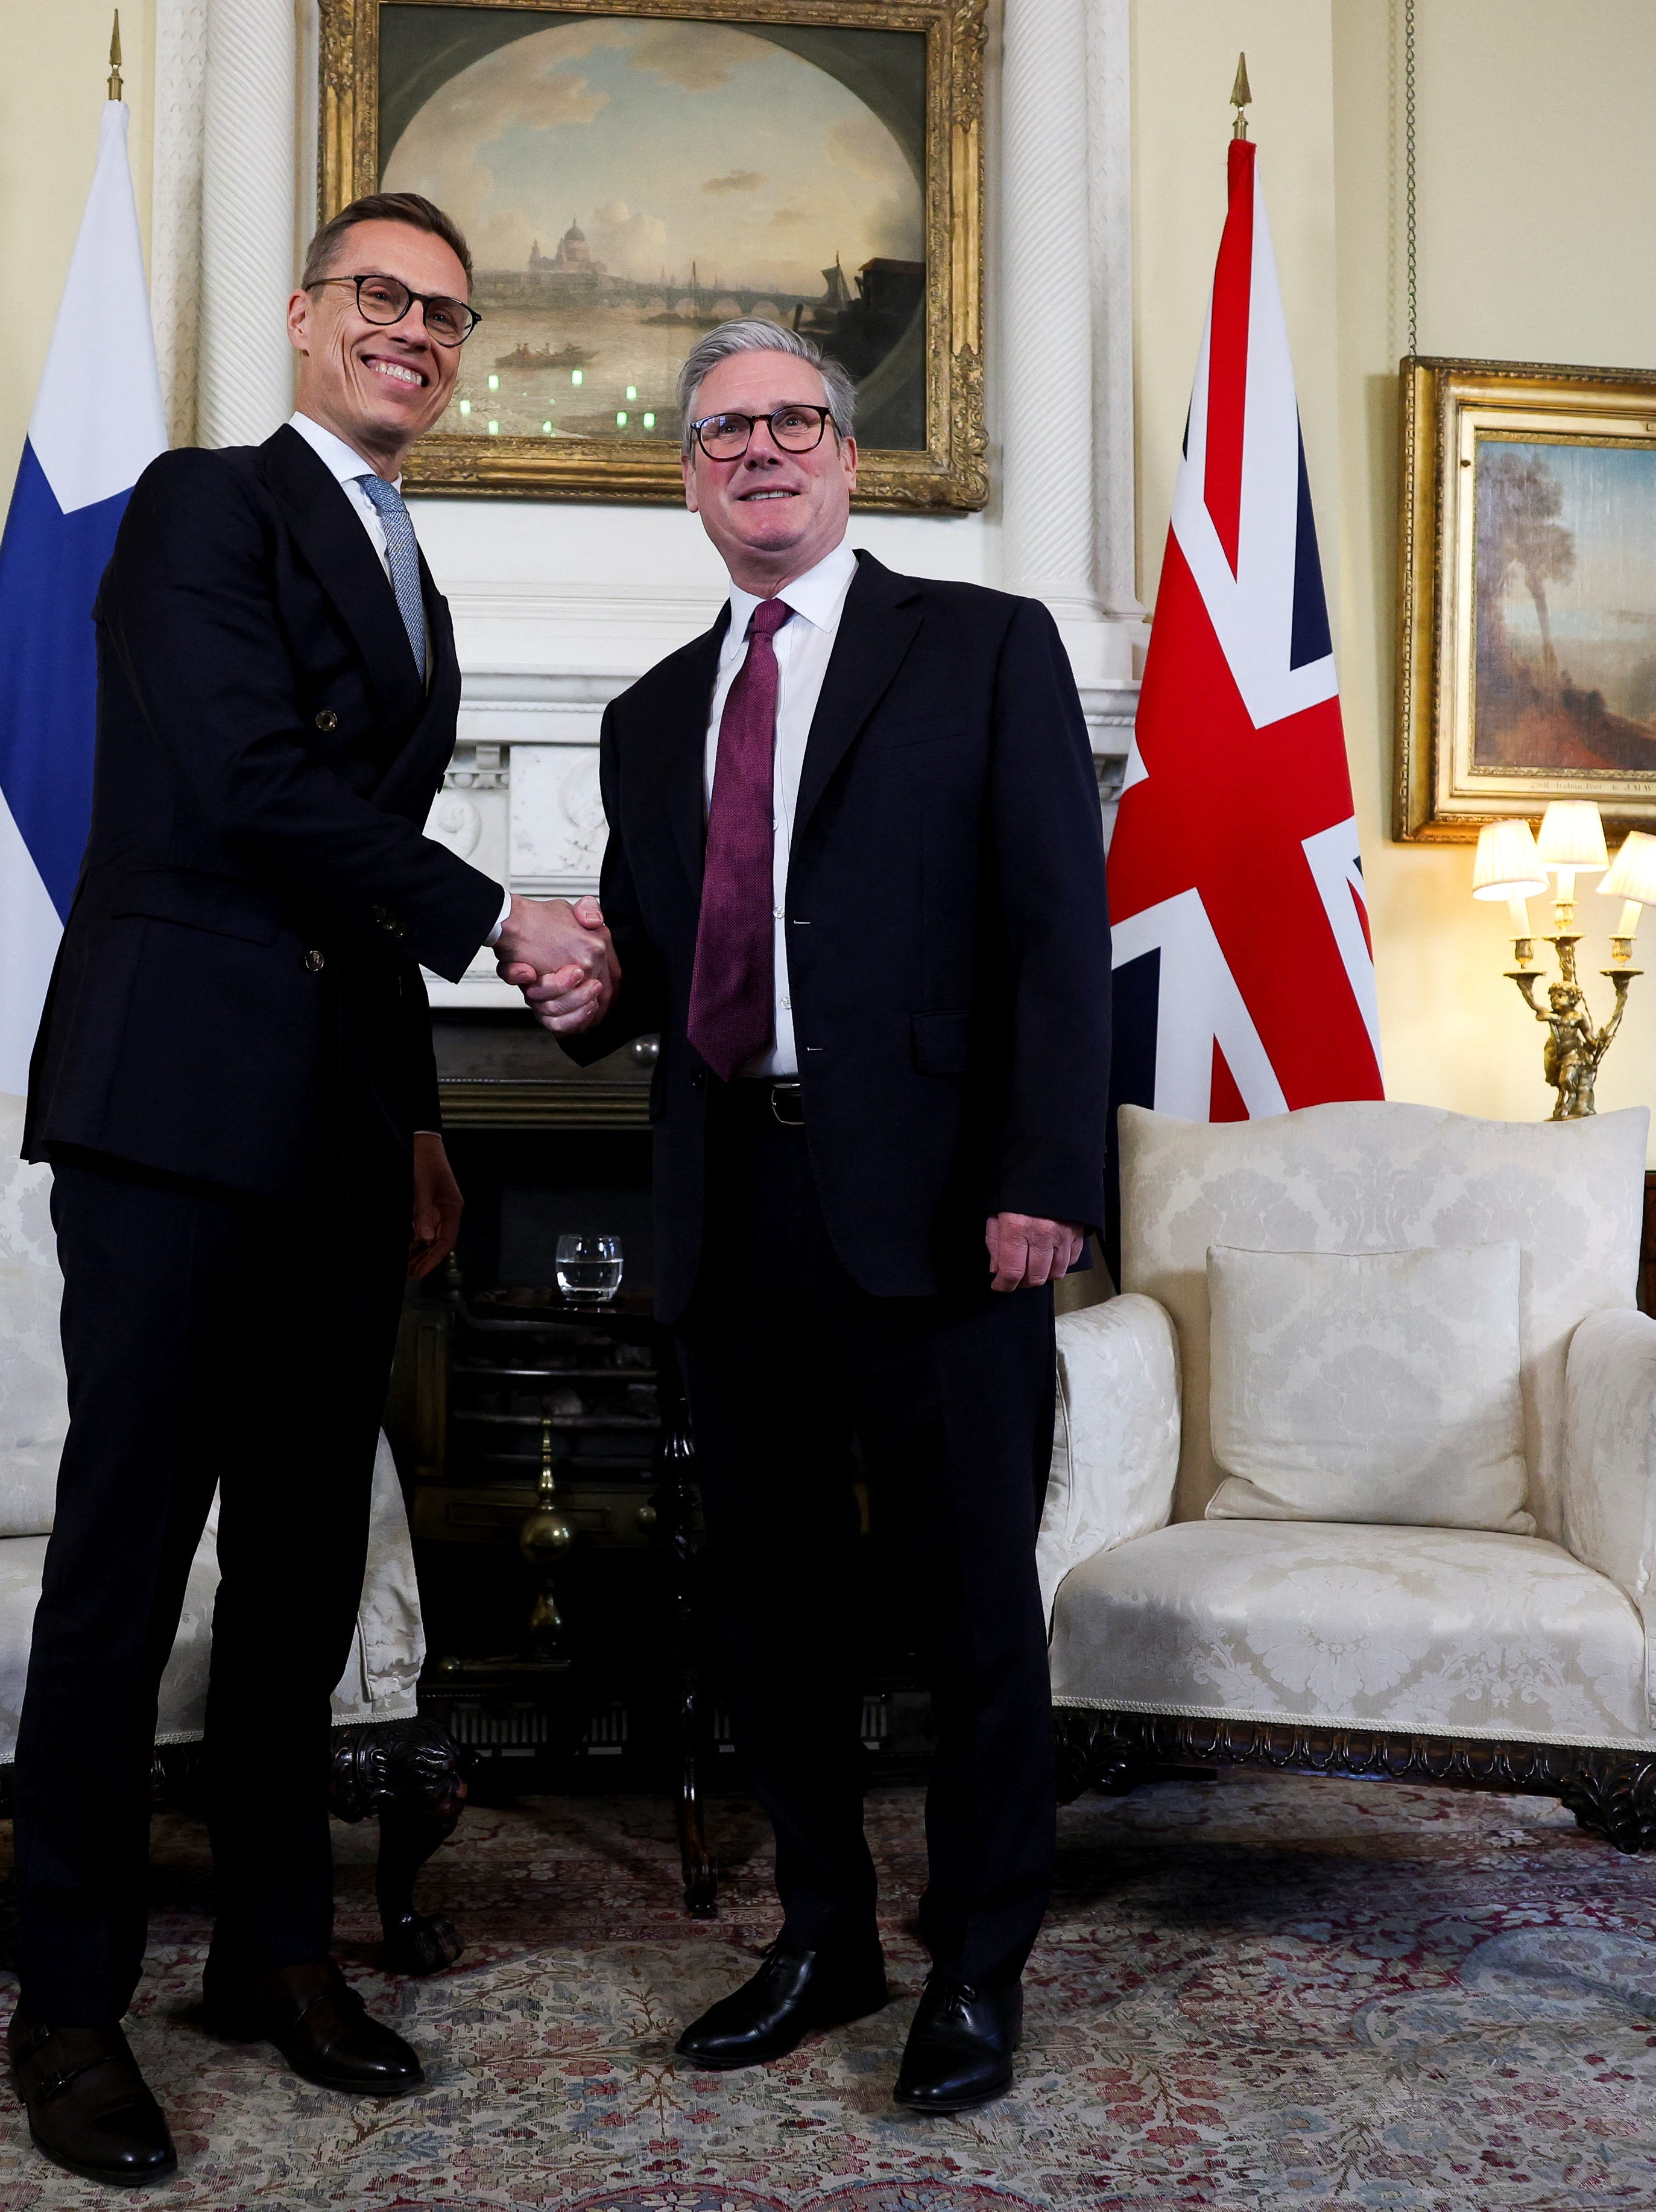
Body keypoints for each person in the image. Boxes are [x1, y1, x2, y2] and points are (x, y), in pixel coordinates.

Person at [10, 190, 613, 2187]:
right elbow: (259, 786)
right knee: (122, 1570)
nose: (414, 332)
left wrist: (420, 1120)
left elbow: (337, 892)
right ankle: (67, 2002)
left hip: (336, 1128)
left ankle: (270, 1953)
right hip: (175, 1113)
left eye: (446, 312)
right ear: (299, 315)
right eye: (379, 296)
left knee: (291, 1578)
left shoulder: (410, 562)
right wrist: (502, 916)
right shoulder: (201, 504)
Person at [510, 320, 1110, 2114]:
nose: (758, 451)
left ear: (845, 458)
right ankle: (823, 1930)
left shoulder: (986, 649)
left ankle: (979, 1963)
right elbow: (660, 968)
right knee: (769, 1609)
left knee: (969, 1605)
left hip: (939, 1206)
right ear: (687, 475)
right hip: (730, 1201)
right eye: (720, 433)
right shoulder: (640, 719)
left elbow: (1052, 942)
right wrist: (580, 992)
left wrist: (1042, 1179)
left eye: (790, 422)